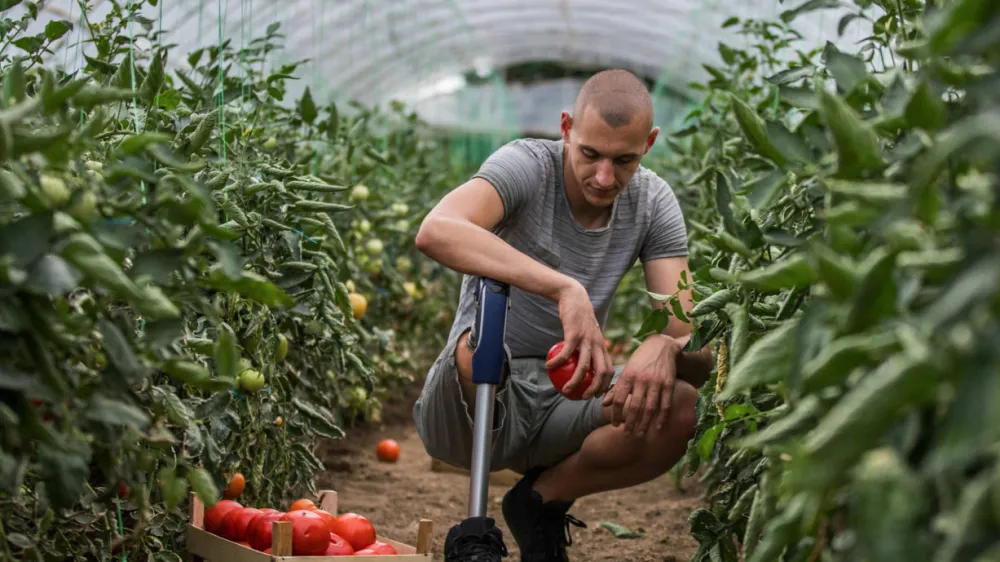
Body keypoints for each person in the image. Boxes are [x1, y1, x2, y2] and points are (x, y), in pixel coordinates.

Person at [412, 68, 715, 561]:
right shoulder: (526, 166)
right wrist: (563, 288)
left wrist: (665, 345)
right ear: (566, 128)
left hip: (567, 395)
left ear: (650, 143)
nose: (604, 177)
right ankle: (477, 527)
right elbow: (437, 230)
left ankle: (540, 500)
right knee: (477, 348)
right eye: (590, 154)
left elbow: (693, 339)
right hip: (475, 401)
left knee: (679, 405)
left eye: (625, 160)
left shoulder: (654, 201)